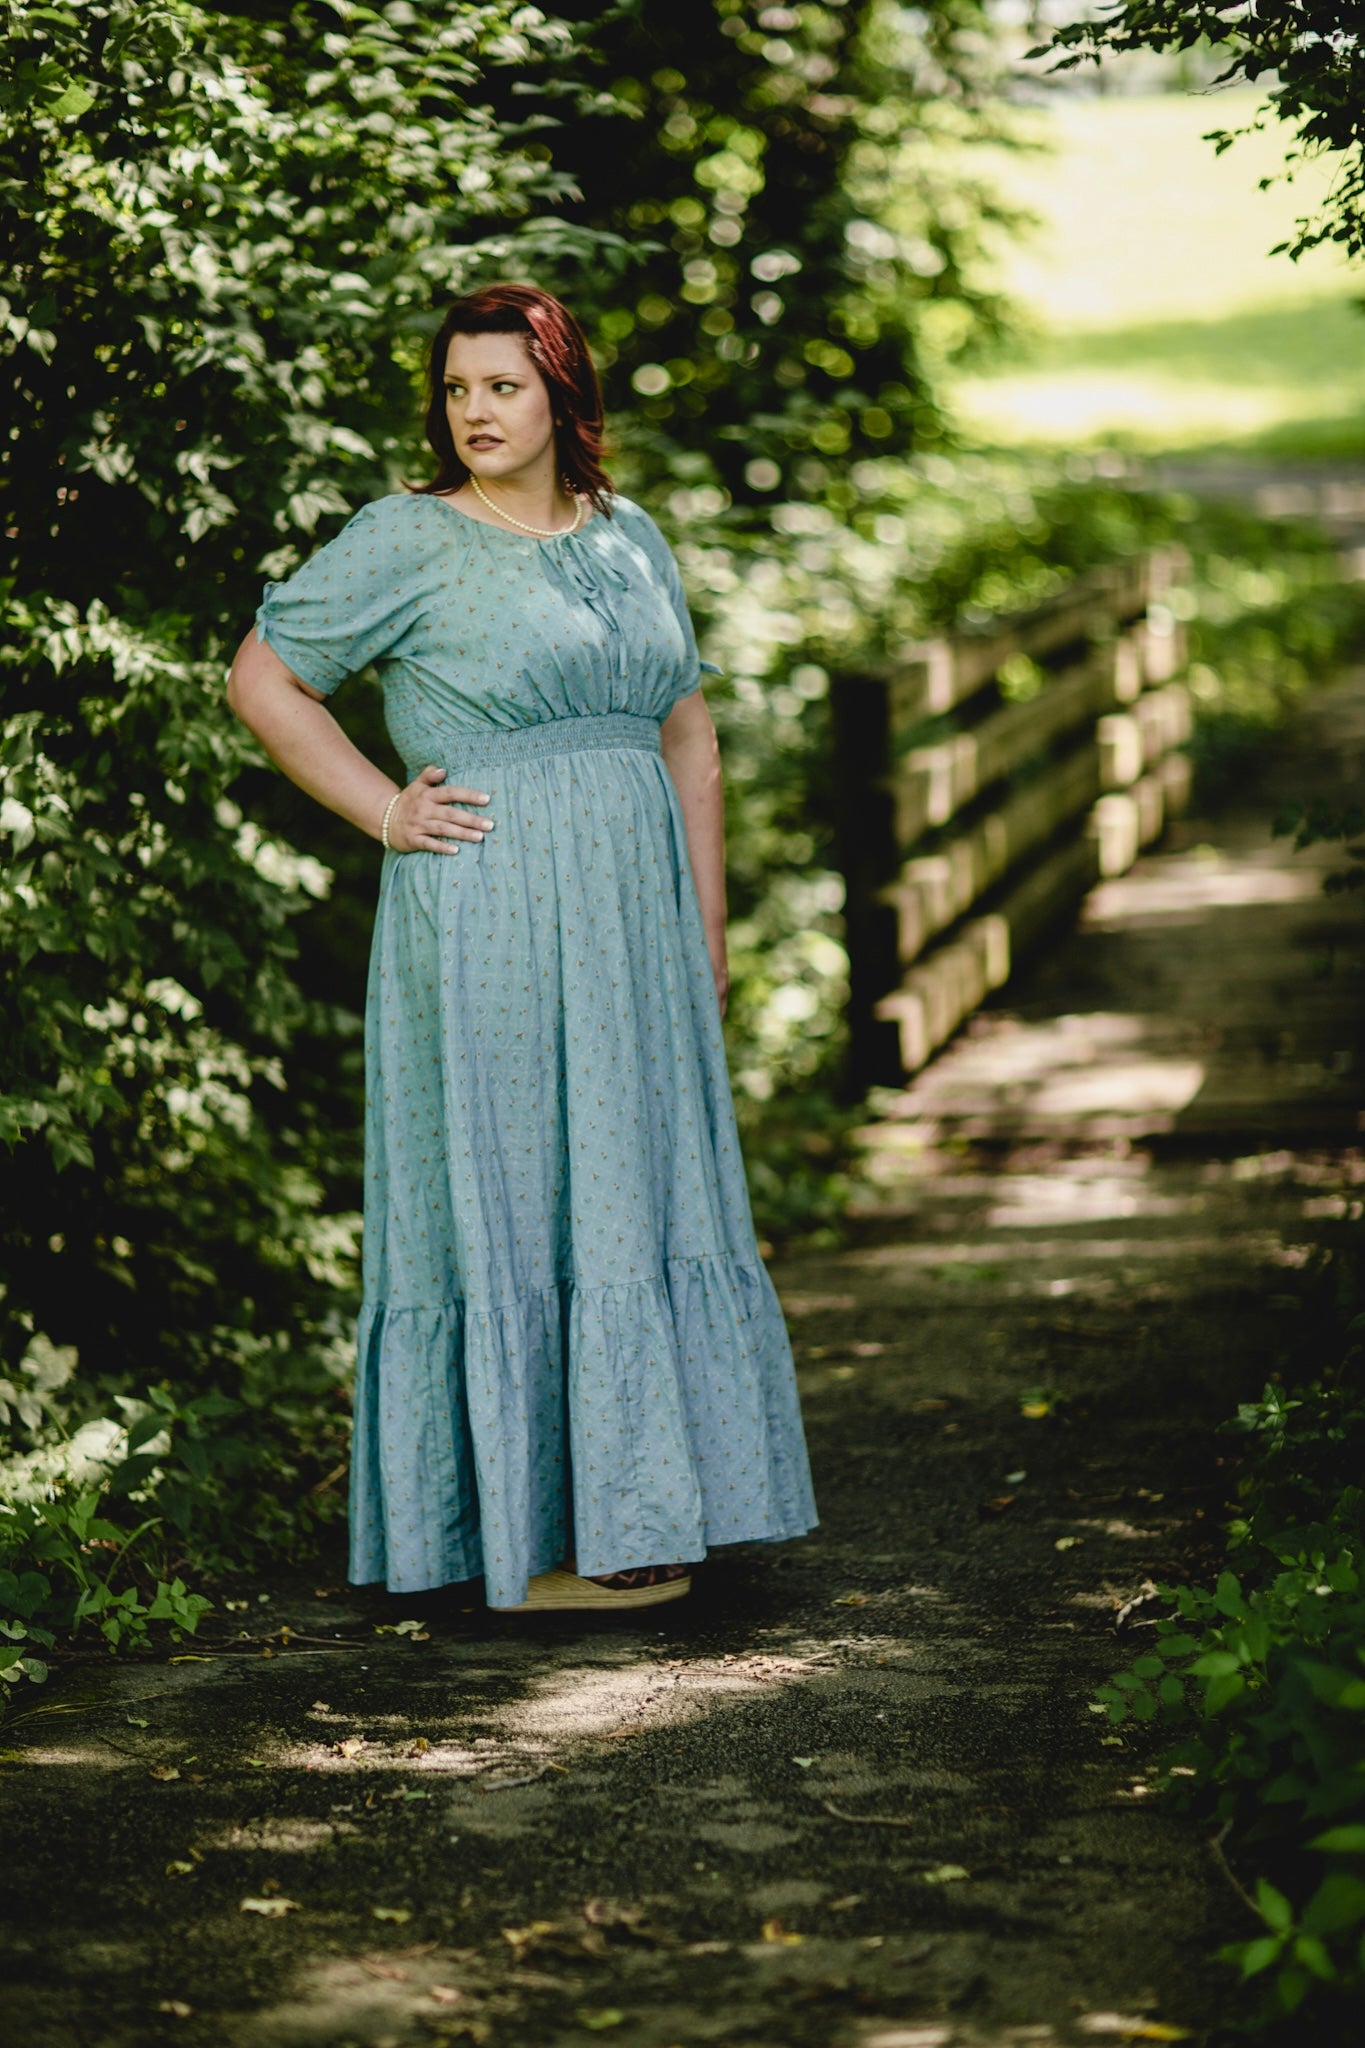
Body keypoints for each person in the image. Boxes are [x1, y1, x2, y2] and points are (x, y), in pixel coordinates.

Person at [226, 281, 817, 1612]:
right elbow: (264, 681)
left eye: (501, 385)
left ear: (559, 393)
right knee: (516, 1202)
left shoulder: (628, 537)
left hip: (632, 933)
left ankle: (651, 1510)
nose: (475, 411)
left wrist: (703, 935)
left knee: (637, 1196)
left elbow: (687, 739)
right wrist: (383, 807)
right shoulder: (408, 537)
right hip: (487, 916)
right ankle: (532, 1544)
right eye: (455, 389)